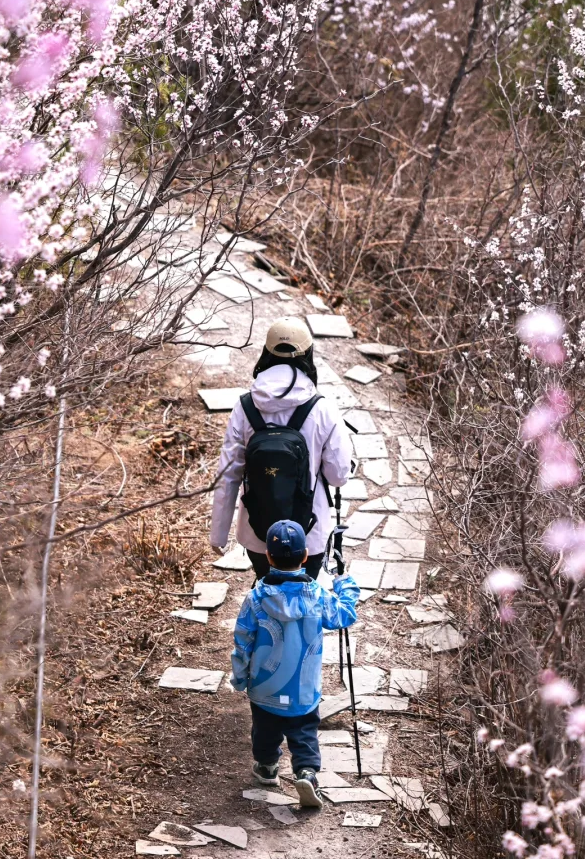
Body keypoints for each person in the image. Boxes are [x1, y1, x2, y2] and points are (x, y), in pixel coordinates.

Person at [210, 317, 352, 579]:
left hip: (258, 534)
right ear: (308, 354)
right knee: (305, 594)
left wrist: (218, 534)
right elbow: (338, 476)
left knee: (267, 589)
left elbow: (228, 473)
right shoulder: (322, 408)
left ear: (267, 352)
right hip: (309, 533)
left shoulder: (245, 406)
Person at [231, 518, 359, 808]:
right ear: (305, 556)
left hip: (264, 687)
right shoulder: (318, 597)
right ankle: (306, 772)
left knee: (264, 729)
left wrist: (239, 676)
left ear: (268, 556)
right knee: (303, 732)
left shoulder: (255, 599)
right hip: (303, 687)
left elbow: (243, 640)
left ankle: (267, 767)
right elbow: (344, 615)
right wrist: (344, 583)